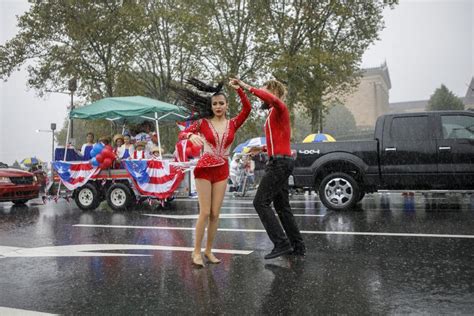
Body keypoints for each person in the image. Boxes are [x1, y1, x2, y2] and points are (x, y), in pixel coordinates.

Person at [175, 78, 251, 267]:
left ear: (226, 105)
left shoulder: (233, 124)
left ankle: (209, 250)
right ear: (211, 106)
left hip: (222, 168)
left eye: (221, 103)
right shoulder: (203, 123)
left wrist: (240, 90)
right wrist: (191, 135)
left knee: (216, 214)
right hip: (204, 169)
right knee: (205, 212)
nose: (218, 106)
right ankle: (196, 252)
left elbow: (247, 109)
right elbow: (182, 134)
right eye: (215, 104)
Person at [232, 78, 305, 259]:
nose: (261, 99)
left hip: (279, 163)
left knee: (260, 202)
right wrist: (262, 149)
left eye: (264, 94)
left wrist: (245, 86)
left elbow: (268, 98)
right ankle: (298, 246)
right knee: (282, 207)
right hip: (281, 160)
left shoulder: (280, 107)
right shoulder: (273, 112)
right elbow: (279, 139)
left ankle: (281, 243)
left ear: (273, 93)